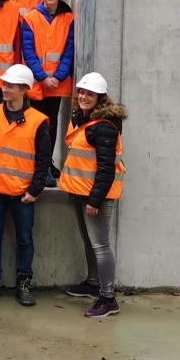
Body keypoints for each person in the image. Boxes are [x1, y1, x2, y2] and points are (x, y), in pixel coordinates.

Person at [0, 64, 53, 307]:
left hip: (23, 194)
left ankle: (24, 283)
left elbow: (43, 160)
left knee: (24, 240)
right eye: (4, 84)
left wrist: (35, 189)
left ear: (24, 90)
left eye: (10, 85)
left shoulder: (38, 121)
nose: (4, 88)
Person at [59, 72, 126, 319]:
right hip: (81, 192)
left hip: (95, 196)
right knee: (90, 241)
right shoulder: (82, 120)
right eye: (82, 92)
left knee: (101, 245)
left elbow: (106, 169)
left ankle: (108, 298)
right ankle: (93, 282)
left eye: (90, 94)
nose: (84, 97)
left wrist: (95, 200)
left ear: (101, 98)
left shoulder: (104, 127)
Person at [20, 0, 74, 177]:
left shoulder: (68, 18)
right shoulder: (31, 18)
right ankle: (37, 164)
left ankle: (48, 164)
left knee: (52, 124)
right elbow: (29, 51)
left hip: (57, 83)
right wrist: (43, 77)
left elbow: (69, 51)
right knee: (37, 124)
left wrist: (58, 77)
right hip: (37, 82)